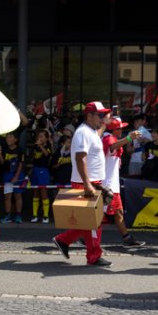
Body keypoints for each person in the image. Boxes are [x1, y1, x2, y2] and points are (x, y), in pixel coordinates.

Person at [52, 101, 113, 267]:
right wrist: (87, 184)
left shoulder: (90, 131)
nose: (102, 118)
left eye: (103, 115)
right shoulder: (83, 133)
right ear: (89, 116)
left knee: (90, 220)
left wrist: (106, 123)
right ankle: (93, 256)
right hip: (87, 182)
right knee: (93, 221)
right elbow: (80, 158)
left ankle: (63, 241)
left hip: (92, 181)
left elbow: (98, 133)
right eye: (100, 115)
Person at [102, 116, 144, 247]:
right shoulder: (107, 138)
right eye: (120, 128)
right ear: (114, 129)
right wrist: (129, 138)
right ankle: (84, 237)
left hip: (111, 184)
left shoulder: (110, 137)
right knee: (99, 214)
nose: (122, 130)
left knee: (117, 212)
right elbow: (113, 146)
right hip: (107, 185)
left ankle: (127, 238)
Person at [0, 132, 25, 223]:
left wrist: (16, 177)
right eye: (7, 137)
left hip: (18, 174)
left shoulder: (20, 150)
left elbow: (21, 164)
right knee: (7, 196)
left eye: (10, 137)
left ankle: (18, 215)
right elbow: (2, 163)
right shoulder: (4, 149)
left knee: (18, 195)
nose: (8, 139)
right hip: (7, 174)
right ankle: (8, 215)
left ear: (16, 139)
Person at [28, 130, 53, 223]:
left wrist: (40, 145)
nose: (40, 138)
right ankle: (35, 215)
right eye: (39, 136)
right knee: (35, 192)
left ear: (46, 138)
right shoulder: (35, 147)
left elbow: (47, 154)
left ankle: (45, 216)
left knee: (43, 192)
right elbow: (32, 158)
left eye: (42, 136)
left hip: (43, 170)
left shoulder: (48, 146)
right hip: (35, 170)